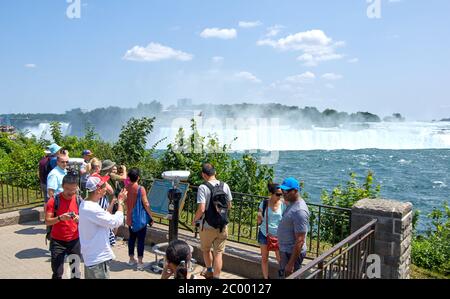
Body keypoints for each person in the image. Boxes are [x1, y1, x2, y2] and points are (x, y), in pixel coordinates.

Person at [78, 175, 127, 279]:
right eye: (105, 185)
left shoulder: (85, 204)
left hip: (92, 258)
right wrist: (121, 203)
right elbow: (116, 221)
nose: (107, 187)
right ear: (98, 190)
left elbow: (103, 218)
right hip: (97, 260)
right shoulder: (92, 209)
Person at [192, 163, 232, 279]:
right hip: (222, 226)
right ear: (215, 173)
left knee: (206, 250)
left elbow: (202, 208)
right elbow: (229, 205)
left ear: (203, 175)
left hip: (207, 226)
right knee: (219, 253)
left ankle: (209, 270)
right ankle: (216, 277)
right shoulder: (225, 186)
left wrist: (195, 220)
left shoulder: (203, 187)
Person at [45, 172, 82, 279]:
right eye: (67, 189)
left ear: (77, 187)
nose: (70, 192)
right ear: (62, 186)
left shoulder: (79, 200)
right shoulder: (53, 201)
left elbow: (85, 220)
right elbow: (47, 221)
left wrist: (79, 219)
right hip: (57, 242)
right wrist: (60, 218)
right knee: (57, 272)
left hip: (74, 241)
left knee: (75, 272)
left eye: (73, 189)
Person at [277, 177, 310, 278]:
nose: (283, 193)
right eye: (282, 190)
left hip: (291, 253)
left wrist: (291, 264)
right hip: (286, 250)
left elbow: (300, 240)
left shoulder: (300, 211)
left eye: (286, 191)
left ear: (295, 191)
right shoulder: (293, 203)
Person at [124, 168, 152, 271]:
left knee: (131, 238)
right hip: (139, 220)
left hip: (130, 218)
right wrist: (150, 215)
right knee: (140, 240)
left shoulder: (126, 187)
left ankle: (131, 259)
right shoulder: (140, 189)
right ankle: (140, 262)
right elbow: (146, 203)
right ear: (138, 177)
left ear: (129, 177)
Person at [257, 182, 286, 279]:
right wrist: (259, 216)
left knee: (280, 259)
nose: (279, 196)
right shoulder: (264, 203)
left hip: (278, 236)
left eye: (281, 194)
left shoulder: (282, 205)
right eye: (277, 194)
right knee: (265, 258)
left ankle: (283, 276)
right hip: (265, 234)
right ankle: (266, 278)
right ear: (271, 194)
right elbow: (259, 216)